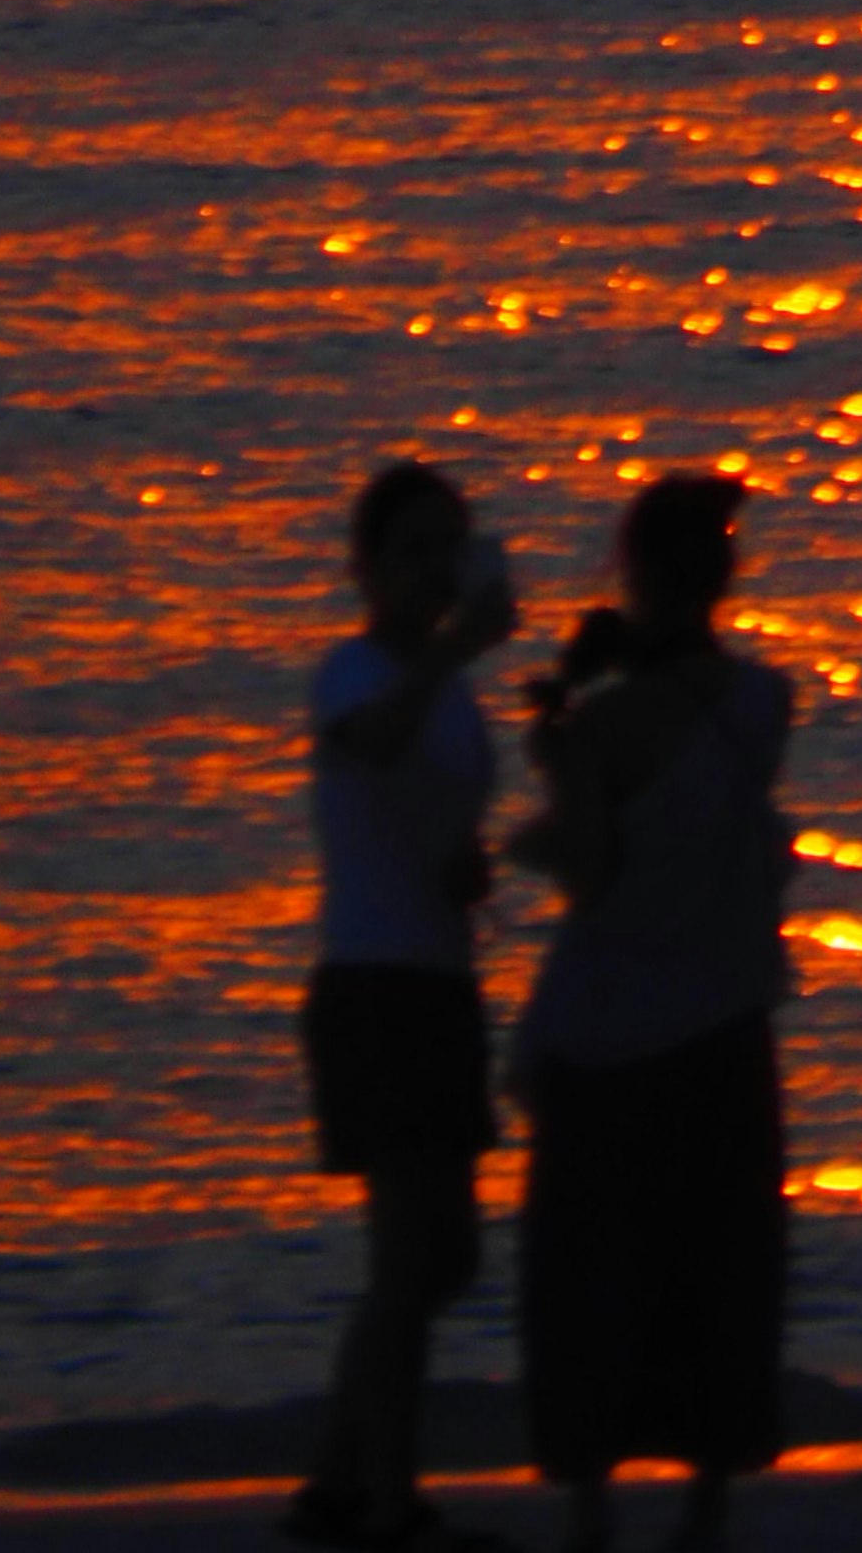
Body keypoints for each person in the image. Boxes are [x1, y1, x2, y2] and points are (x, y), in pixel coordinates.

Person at [508, 474, 798, 1553]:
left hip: (609, 1029)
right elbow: (698, 738)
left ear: (636, 573)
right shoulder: (767, 702)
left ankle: (591, 1509)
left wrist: (559, 749)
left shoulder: (607, 726)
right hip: (724, 1021)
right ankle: (708, 1505)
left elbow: (585, 869)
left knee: (594, 1278)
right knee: (717, 1267)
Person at [298, 457, 521, 1549]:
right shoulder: (352, 672)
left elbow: (422, 807)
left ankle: (341, 1474)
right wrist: (450, 649)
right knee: (407, 1259)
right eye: (415, 549)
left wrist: (465, 864)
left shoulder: (452, 694)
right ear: (370, 568)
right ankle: (381, 1502)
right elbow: (372, 745)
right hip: (374, 985)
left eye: (449, 546)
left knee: (445, 1260)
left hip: (436, 981)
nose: (436, 568)